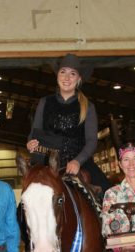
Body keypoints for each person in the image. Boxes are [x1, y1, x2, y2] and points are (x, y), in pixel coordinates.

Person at [26, 53, 111, 192]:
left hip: (79, 162)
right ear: (57, 76)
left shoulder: (88, 106)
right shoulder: (44, 102)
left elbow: (91, 141)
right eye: (63, 72)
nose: (66, 77)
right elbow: (34, 132)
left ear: (78, 79)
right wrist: (30, 142)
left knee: (108, 193)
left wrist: (78, 161)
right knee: (26, 199)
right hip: (48, 162)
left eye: (72, 74)